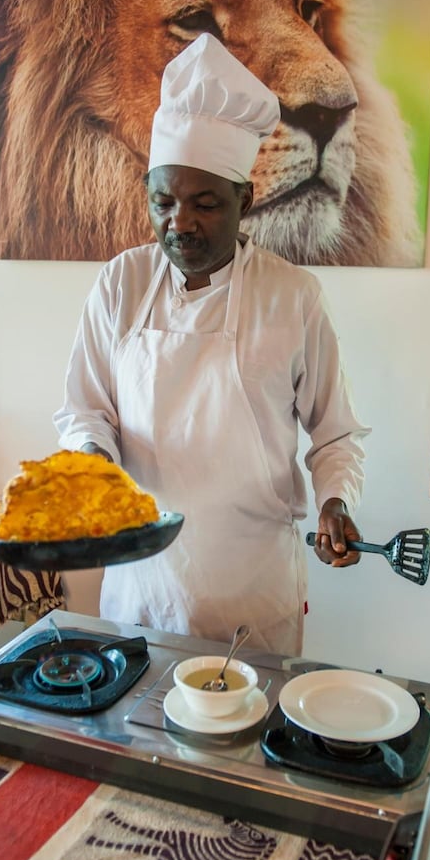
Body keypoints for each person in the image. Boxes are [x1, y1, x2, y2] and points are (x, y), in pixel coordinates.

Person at [54, 33, 370, 655]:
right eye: (163, 202)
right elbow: (83, 409)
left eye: (204, 204)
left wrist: (336, 501)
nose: (181, 223)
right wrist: (90, 453)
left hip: (253, 594)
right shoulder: (121, 283)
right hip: (141, 586)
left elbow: (336, 435)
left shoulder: (292, 297)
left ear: (243, 200)